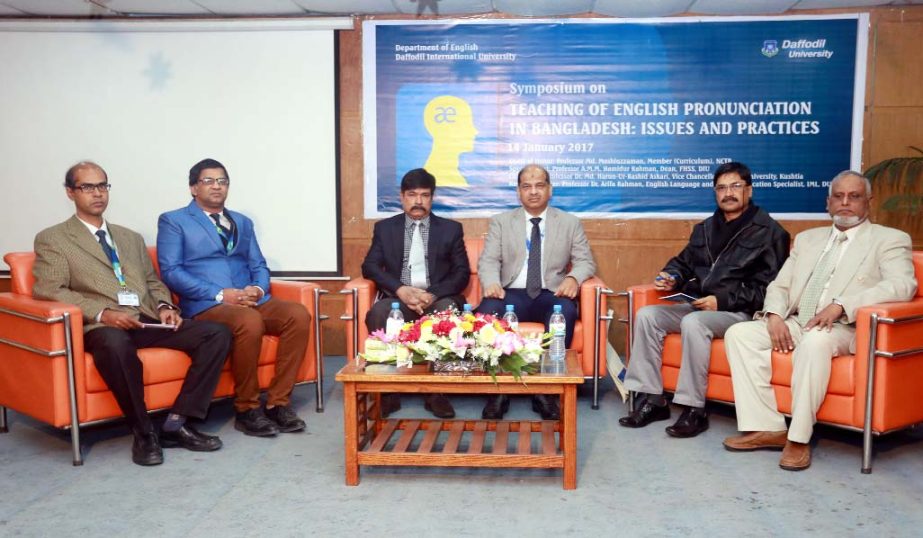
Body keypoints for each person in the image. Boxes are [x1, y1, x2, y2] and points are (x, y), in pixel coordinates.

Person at [33, 161, 232, 466]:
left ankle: (177, 422)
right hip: (101, 328)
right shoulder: (54, 238)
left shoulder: (130, 238)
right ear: (70, 193)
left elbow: (153, 282)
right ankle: (143, 433)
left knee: (215, 333)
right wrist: (103, 313)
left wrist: (165, 307)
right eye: (87, 187)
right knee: (115, 344)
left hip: (144, 320)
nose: (97, 193)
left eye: (102, 186)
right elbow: (50, 289)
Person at [723, 170, 917, 471]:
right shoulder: (808, 239)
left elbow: (903, 286)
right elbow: (780, 285)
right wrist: (773, 315)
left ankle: (798, 439)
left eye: (854, 197)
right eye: (838, 196)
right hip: (799, 321)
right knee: (740, 334)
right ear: (828, 203)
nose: (845, 203)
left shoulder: (889, 239)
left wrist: (842, 305)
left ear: (868, 203)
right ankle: (768, 427)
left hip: (845, 327)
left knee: (815, 341)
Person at [619, 162, 790, 438]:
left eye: (735, 186)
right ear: (715, 193)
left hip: (739, 312)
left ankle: (693, 409)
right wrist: (671, 275)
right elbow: (683, 262)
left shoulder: (771, 233)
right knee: (648, 316)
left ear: (749, 190)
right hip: (697, 303)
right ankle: (652, 399)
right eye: (721, 188)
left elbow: (770, 289)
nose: (728, 193)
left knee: (695, 323)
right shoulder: (705, 229)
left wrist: (720, 301)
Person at [157, 158, 311, 438]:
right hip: (208, 303)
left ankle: (278, 403)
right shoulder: (174, 220)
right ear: (193, 188)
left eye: (222, 181)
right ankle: (247, 408)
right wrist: (220, 294)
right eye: (208, 181)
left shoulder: (242, 222)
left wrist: (258, 289)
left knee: (297, 314)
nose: (217, 186)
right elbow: (171, 271)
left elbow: (259, 265)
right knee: (248, 321)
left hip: (249, 299)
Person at [476, 164, 597, 420]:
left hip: (549, 293)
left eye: (539, 185)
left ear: (550, 190)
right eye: (526, 186)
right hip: (510, 292)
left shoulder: (569, 222)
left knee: (564, 310)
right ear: (518, 192)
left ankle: (546, 391)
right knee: (487, 311)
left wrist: (574, 277)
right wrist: (490, 282)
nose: (533, 192)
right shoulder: (501, 221)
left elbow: (585, 260)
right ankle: (497, 389)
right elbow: (488, 260)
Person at [361, 168, 471, 418]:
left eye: (425, 195)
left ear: (432, 198)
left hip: (437, 297)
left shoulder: (451, 229)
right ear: (402, 197)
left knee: (447, 312)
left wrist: (430, 294)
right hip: (399, 298)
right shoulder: (385, 229)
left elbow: (461, 273)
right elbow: (369, 266)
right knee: (380, 312)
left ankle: (436, 392)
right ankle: (388, 392)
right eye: (412, 195)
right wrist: (400, 290)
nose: (418, 201)